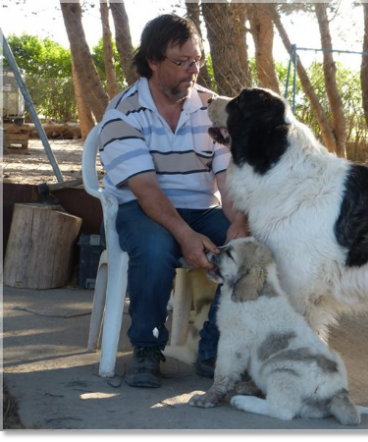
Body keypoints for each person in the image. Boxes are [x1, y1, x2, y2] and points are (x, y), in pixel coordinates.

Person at [98, 14, 248, 388]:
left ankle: (215, 347)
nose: (192, 70)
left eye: (197, 60)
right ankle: (146, 348)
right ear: (152, 61)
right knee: (154, 246)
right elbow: (147, 191)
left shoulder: (213, 108)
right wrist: (185, 236)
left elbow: (227, 179)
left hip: (201, 208)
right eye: (181, 62)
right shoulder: (122, 112)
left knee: (255, 243)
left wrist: (239, 222)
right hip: (141, 209)